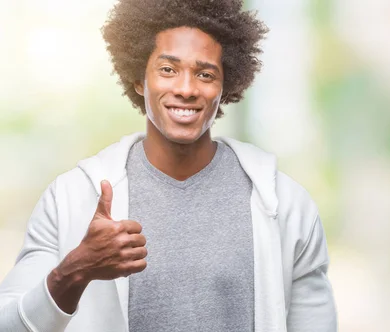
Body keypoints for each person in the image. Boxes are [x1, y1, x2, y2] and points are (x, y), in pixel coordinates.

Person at [0, 0, 337, 331]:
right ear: (138, 79)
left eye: (205, 74)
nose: (187, 89)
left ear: (225, 87)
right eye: (168, 69)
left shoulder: (286, 205)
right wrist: (76, 269)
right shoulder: (70, 199)